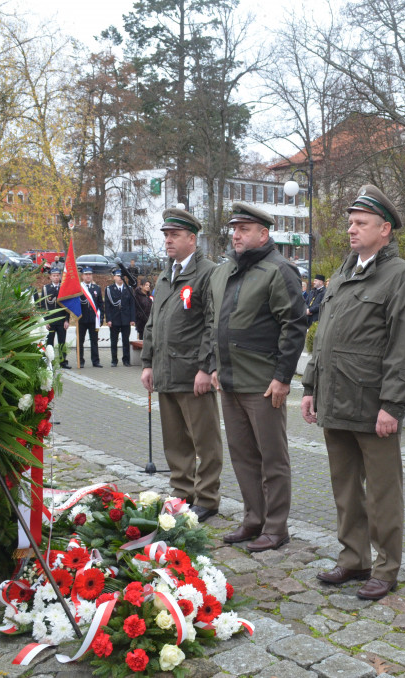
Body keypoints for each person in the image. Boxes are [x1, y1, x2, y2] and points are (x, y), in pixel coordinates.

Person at [301, 185, 405, 601]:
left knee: (383, 492)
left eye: (361, 223)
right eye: (350, 222)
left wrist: (393, 404)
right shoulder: (343, 273)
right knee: (345, 488)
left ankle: (387, 567)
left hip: (373, 403)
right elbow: (324, 339)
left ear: (385, 229)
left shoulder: (402, 276)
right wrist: (310, 388)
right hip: (335, 399)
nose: (352, 229)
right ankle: (354, 558)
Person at [210, 202, 307, 552]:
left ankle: (276, 526)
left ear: (263, 234)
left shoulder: (279, 270)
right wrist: (213, 366)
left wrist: (283, 377)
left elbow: (294, 325)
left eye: (244, 229)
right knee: (242, 455)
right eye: (234, 229)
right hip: (231, 381)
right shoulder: (223, 272)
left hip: (264, 384)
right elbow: (213, 323)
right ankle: (254, 518)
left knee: (272, 458)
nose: (236, 235)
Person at [141, 208, 222, 522]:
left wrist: (206, 367)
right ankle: (181, 492)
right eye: (165, 235)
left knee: (205, 440)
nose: (168, 241)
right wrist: (147, 363)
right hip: (165, 372)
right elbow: (153, 323)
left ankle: (209, 497)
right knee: (175, 441)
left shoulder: (208, 272)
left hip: (193, 374)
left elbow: (212, 324)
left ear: (192, 238)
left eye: (174, 235)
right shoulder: (166, 274)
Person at [104, 269, 137, 367]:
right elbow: (107, 305)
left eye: (121, 276)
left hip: (126, 319)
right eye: (118, 276)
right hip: (114, 319)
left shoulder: (129, 288)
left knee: (125, 341)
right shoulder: (109, 289)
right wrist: (108, 319)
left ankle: (126, 360)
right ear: (114, 277)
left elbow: (132, 305)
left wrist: (132, 319)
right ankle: (114, 360)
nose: (120, 278)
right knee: (114, 341)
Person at [41, 267, 71, 368]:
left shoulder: (64, 288)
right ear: (50, 277)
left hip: (62, 320)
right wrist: (45, 321)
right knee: (50, 343)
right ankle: (50, 362)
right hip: (50, 321)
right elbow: (43, 306)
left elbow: (68, 306)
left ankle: (63, 361)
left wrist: (67, 319)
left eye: (58, 275)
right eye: (54, 276)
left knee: (62, 342)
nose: (56, 277)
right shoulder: (46, 288)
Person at [77, 267, 103, 368]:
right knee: (80, 341)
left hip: (93, 319)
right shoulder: (79, 288)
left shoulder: (96, 288)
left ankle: (95, 361)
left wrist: (101, 318)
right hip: (81, 319)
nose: (88, 276)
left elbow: (100, 304)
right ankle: (81, 360)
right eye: (86, 274)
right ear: (82, 276)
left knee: (94, 341)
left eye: (90, 274)